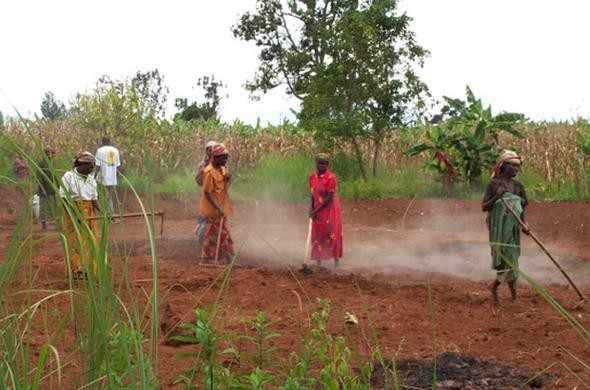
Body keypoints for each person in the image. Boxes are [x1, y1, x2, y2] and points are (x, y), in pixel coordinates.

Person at [482, 150, 529, 303]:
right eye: (513, 166)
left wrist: (524, 224)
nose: (516, 169)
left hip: (513, 227)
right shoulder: (494, 184)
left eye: (518, 167)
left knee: (512, 258)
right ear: (503, 166)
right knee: (508, 259)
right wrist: (497, 196)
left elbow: (522, 207)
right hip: (499, 228)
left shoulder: (518, 186)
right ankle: (513, 295)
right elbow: (485, 207)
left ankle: (496, 287)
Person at [59, 152, 100, 278]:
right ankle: (77, 270)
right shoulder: (69, 176)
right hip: (73, 209)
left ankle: (89, 269)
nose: (91, 168)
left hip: (89, 211)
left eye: (93, 166)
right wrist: (75, 214)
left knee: (91, 239)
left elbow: (94, 199)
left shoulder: (91, 179)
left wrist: (103, 212)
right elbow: (64, 197)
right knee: (75, 240)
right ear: (80, 164)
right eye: (89, 166)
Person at [199, 144, 234, 264]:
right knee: (221, 234)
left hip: (221, 208)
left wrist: (228, 180)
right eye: (223, 158)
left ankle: (207, 258)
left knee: (213, 235)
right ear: (215, 158)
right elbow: (208, 193)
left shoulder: (222, 168)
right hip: (213, 210)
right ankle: (227, 260)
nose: (225, 160)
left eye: (226, 157)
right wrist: (218, 208)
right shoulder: (209, 172)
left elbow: (224, 188)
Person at [308, 153, 343, 267]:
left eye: (323, 164)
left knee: (332, 232)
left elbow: (328, 198)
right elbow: (313, 194)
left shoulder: (331, 178)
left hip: (330, 208)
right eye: (319, 163)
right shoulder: (312, 177)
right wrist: (311, 208)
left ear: (327, 165)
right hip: (318, 207)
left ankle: (336, 260)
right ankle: (319, 262)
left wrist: (316, 210)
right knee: (317, 233)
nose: (320, 166)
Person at [194, 140, 217, 244]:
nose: (210, 152)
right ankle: (201, 233)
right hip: (206, 196)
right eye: (208, 150)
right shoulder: (202, 165)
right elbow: (198, 181)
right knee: (204, 219)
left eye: (212, 149)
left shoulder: (220, 165)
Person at [95, 135, 121, 214]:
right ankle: (109, 213)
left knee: (101, 196)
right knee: (108, 195)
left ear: (102, 142)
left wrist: (94, 176)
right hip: (112, 177)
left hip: (102, 177)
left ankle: (108, 213)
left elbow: (97, 165)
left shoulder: (100, 150)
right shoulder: (115, 150)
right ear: (109, 142)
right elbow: (118, 165)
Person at [36, 148, 58, 229]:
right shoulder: (41, 164)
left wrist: (58, 187)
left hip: (53, 188)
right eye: (50, 154)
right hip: (44, 189)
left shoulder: (52, 163)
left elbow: (55, 176)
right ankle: (43, 223)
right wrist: (42, 188)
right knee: (43, 206)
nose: (51, 156)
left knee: (55, 206)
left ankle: (57, 223)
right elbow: (39, 177)